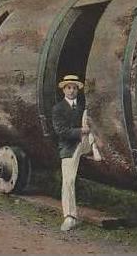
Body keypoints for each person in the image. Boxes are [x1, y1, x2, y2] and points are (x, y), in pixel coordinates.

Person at [52, 74, 102, 231]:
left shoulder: (81, 107)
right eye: (69, 88)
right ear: (64, 90)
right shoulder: (58, 109)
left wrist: (86, 131)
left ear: (77, 90)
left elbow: (90, 124)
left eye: (74, 88)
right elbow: (61, 131)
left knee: (89, 115)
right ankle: (69, 216)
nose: (72, 91)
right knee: (68, 181)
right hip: (69, 147)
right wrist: (81, 130)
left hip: (84, 143)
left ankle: (94, 148)